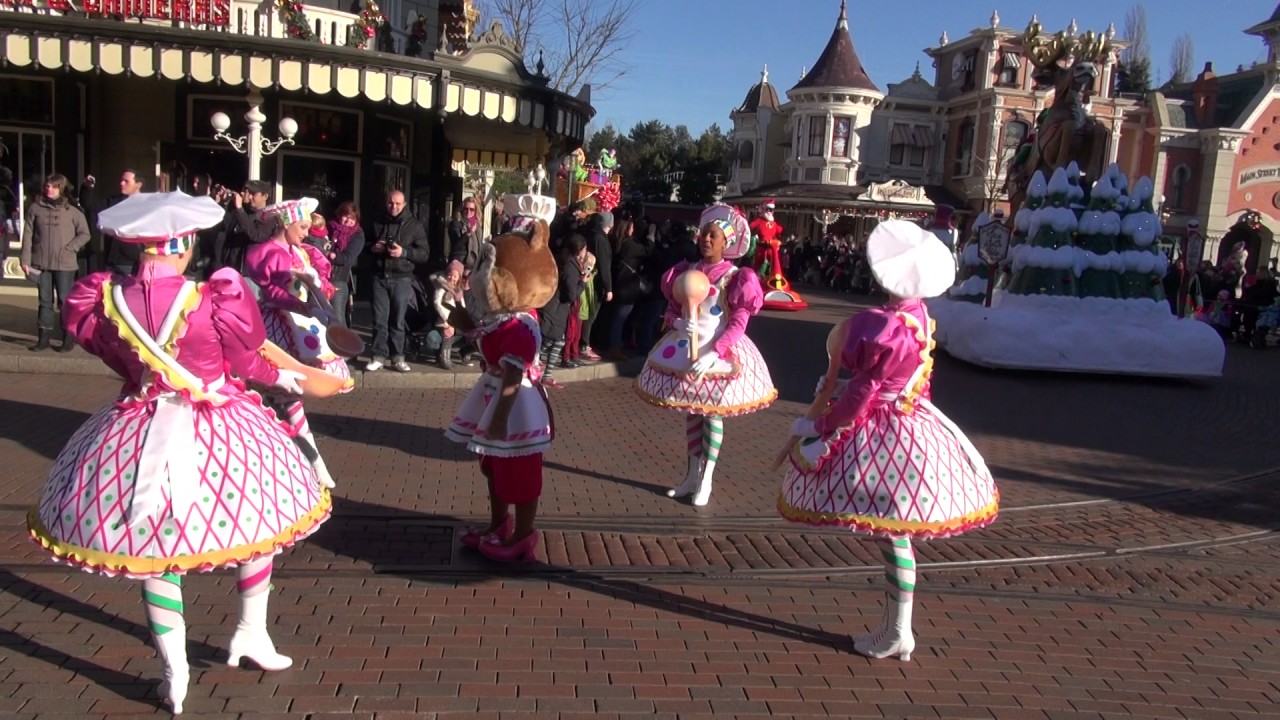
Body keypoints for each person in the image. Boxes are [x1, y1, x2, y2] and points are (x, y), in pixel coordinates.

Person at [26, 191, 333, 714]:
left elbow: (117, 361)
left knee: (153, 545)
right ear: (184, 244)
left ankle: (176, 671)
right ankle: (249, 630)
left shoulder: (101, 295)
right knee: (259, 518)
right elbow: (245, 360)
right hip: (219, 423)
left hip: (138, 425)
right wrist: (292, 378)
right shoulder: (215, 295)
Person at [778, 220, 1000, 661]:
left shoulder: (888, 326)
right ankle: (897, 627)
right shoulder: (918, 317)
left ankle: (899, 629)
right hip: (910, 421)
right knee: (890, 530)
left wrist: (822, 426)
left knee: (892, 531)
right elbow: (896, 382)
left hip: (888, 431)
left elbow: (866, 393)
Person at [634, 204, 778, 506]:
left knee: (711, 413)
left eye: (713, 236)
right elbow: (671, 311)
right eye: (704, 234)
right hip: (687, 348)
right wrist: (677, 322)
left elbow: (740, 320)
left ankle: (707, 477)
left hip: (719, 350)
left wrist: (717, 351)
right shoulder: (685, 271)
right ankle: (690, 475)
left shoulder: (737, 276)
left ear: (726, 242)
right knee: (692, 412)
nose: (706, 240)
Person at [445, 192, 558, 562]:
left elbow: (512, 376)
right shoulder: (505, 320)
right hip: (496, 396)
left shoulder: (521, 327)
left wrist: (498, 418)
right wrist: (465, 324)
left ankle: (524, 534)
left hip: (516, 407)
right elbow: (487, 339)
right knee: (493, 466)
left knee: (520, 473)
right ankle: (499, 524)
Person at [244, 197, 351, 491]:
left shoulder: (296, 252)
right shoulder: (273, 253)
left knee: (283, 398)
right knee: (284, 395)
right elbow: (273, 293)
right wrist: (304, 306)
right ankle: (312, 463)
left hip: (298, 327)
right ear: (285, 224)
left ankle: (300, 462)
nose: (306, 232)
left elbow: (310, 289)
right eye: (302, 226)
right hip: (277, 328)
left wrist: (321, 301)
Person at [20, 173, 91, 352]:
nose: (49, 189)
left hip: (65, 263)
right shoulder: (36, 209)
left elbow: (85, 234)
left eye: (54, 186)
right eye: (47, 186)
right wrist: (25, 260)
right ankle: (43, 338)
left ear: (61, 188)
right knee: (44, 301)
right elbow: (27, 235)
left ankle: (68, 337)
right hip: (40, 263)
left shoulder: (72, 211)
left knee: (64, 300)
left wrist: (71, 248)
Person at [367, 189, 429, 372]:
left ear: (404, 205)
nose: (393, 207)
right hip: (379, 276)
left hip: (401, 278)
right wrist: (373, 247)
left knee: (398, 320)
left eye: (397, 204)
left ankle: (398, 357)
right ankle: (378, 355)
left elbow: (424, 254)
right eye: (390, 203)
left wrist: (405, 253)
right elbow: (363, 244)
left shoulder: (415, 226)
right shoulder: (377, 221)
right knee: (379, 319)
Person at [217, 179, 273, 273]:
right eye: (248, 193)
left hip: (248, 273)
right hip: (229, 267)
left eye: (253, 194)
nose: (250, 197)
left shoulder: (268, 217)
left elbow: (255, 235)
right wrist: (226, 203)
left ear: (265, 196)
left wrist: (240, 209)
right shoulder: (242, 212)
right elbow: (223, 229)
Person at [326, 201, 365, 328]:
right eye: (346, 216)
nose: (348, 220)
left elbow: (347, 258)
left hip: (338, 280)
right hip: (320, 278)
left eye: (352, 218)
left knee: (337, 320)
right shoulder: (329, 228)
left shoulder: (357, 235)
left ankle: (342, 347)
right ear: (339, 215)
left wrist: (331, 255)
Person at [103, 169, 145, 275]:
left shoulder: (146, 204)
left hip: (132, 261)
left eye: (126, 181)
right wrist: (87, 188)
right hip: (113, 258)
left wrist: (140, 255)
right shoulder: (115, 201)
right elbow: (90, 204)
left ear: (138, 185)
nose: (122, 183)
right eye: (122, 180)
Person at [430, 260, 467, 369]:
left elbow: (462, 304)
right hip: (445, 320)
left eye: (455, 276)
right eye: (450, 275)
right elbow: (437, 303)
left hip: (456, 320)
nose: (452, 278)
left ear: (459, 277)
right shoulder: (442, 287)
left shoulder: (459, 289)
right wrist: (448, 320)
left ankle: (461, 353)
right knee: (448, 335)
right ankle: (445, 360)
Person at [448, 196, 483, 275]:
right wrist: (468, 233)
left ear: (475, 211)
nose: (468, 211)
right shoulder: (455, 224)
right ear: (461, 210)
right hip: (459, 263)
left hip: (474, 264)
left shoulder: (477, 226)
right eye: (466, 209)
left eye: (471, 209)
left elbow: (479, 246)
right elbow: (455, 246)